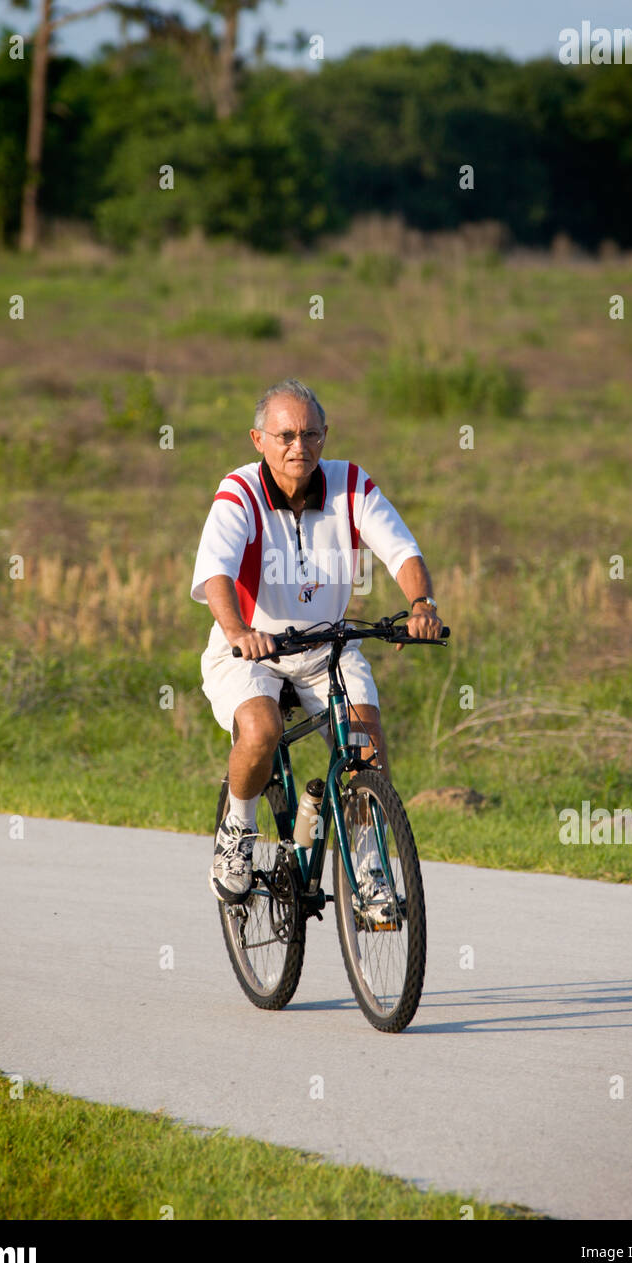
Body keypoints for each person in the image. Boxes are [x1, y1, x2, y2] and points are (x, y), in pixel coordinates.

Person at [190, 378, 444, 912]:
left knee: (365, 750)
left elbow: (401, 549)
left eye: (308, 434)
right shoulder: (239, 492)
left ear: (325, 436)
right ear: (258, 440)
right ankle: (237, 832)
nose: (297, 447)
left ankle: (370, 871)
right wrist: (238, 632)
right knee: (261, 729)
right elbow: (215, 571)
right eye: (284, 435)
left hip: (328, 647)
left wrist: (421, 605)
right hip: (249, 650)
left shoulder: (350, 484)